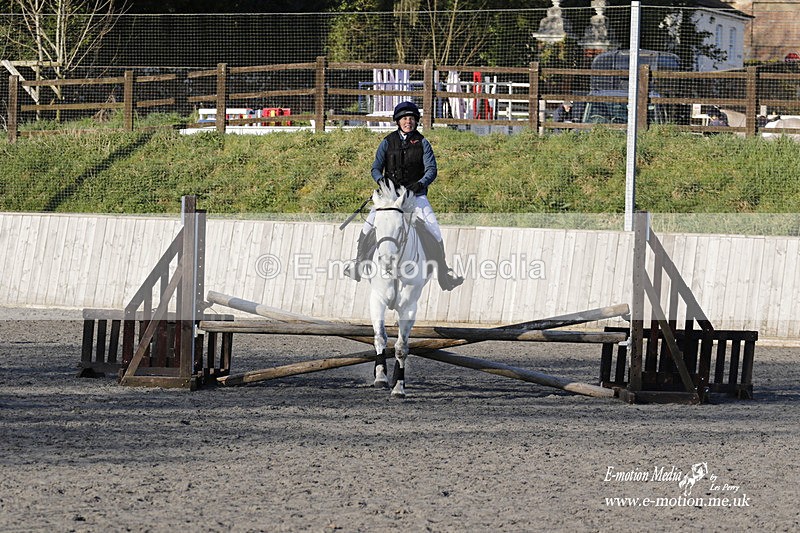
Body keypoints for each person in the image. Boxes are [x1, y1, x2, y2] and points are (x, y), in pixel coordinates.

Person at [344, 101, 464, 291]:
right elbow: (376, 168)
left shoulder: (423, 142)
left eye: (411, 119)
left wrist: (420, 184)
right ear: (398, 121)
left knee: (434, 229)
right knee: (369, 225)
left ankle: (444, 273)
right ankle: (358, 263)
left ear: (416, 121)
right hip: (390, 196)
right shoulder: (387, 142)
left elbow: (431, 170)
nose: (408, 122)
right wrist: (380, 181)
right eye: (404, 119)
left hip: (415, 196)